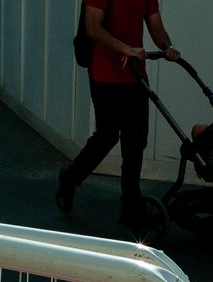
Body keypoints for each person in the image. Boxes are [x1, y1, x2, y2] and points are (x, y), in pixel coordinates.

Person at [55, 0, 180, 230]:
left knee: (136, 140)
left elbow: (156, 27)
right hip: (105, 76)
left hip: (135, 76)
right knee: (107, 136)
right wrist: (125, 48)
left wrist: (167, 47)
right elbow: (93, 27)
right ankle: (70, 178)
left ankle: (130, 207)